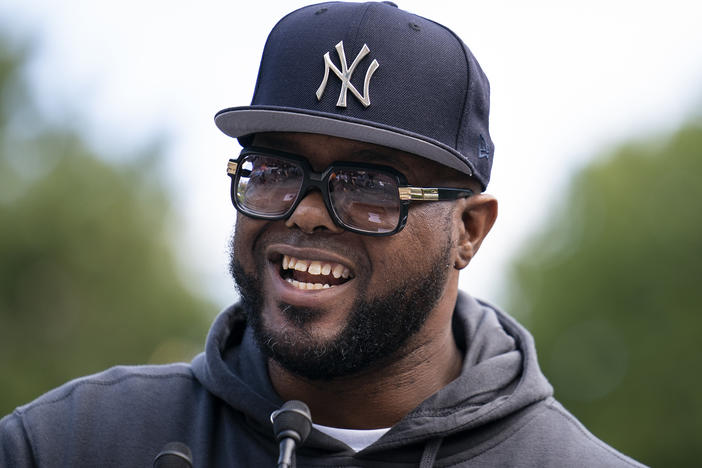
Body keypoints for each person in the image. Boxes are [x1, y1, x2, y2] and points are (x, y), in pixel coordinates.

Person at [0, 2, 645, 467]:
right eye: (276, 171)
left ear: (468, 231)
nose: (306, 213)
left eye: (368, 184)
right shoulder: (69, 443)